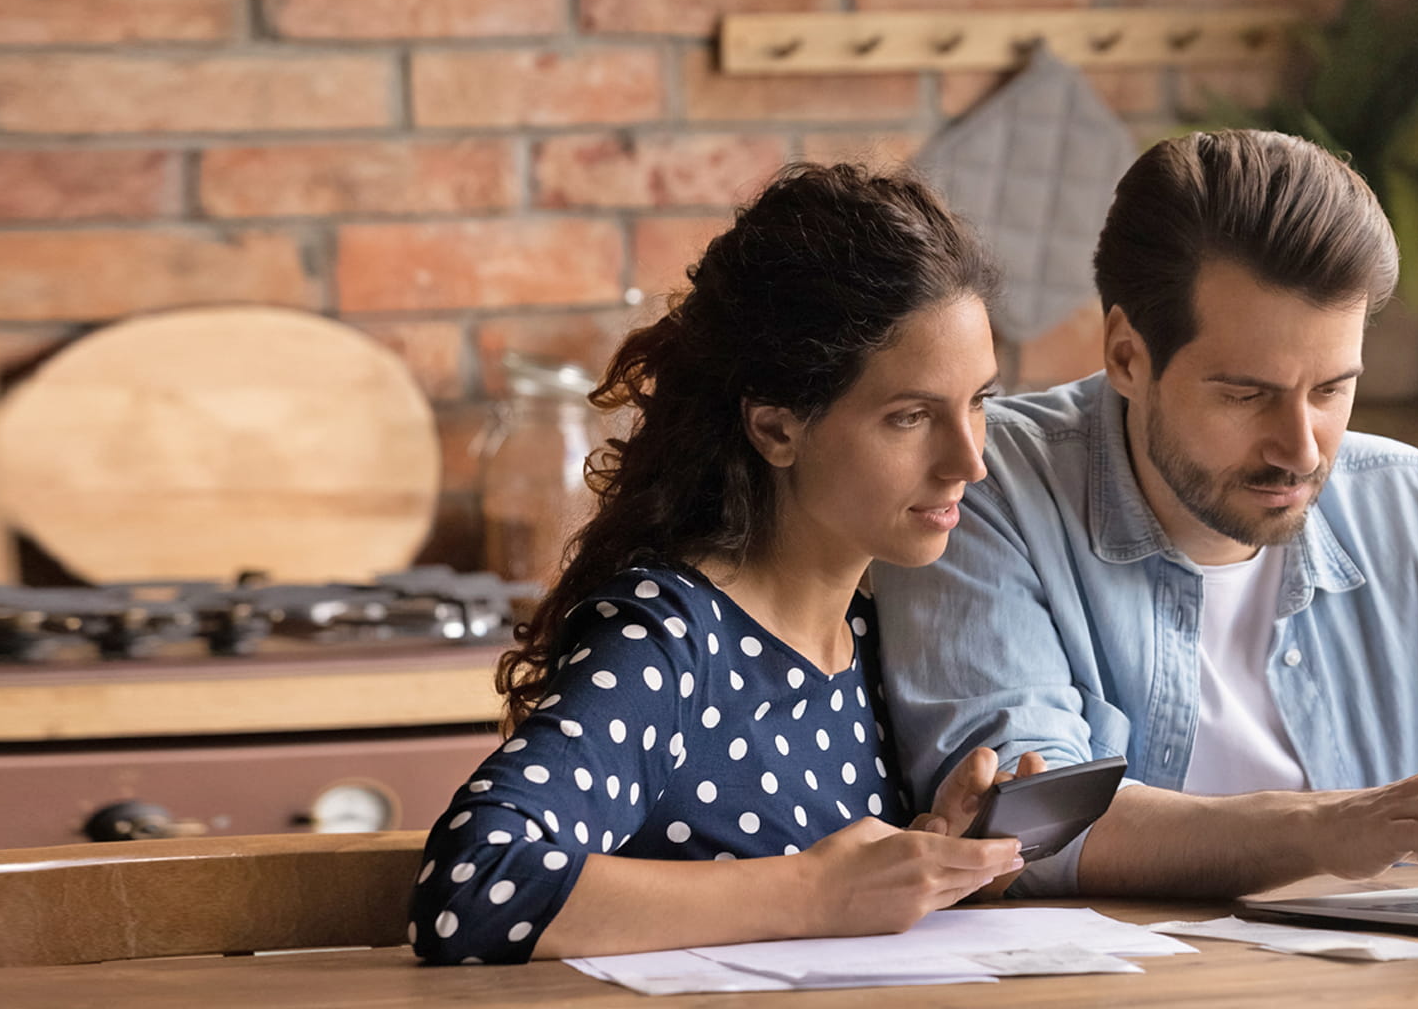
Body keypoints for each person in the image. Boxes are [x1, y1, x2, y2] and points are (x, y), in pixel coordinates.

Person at [870, 129, 1418, 900]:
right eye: (1247, 395)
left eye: (1331, 390)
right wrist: (1333, 829)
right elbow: (1027, 830)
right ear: (1125, 356)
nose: (1301, 449)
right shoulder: (985, 490)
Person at [409, 164, 1040, 965]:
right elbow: (470, 885)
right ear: (777, 429)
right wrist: (818, 892)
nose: (969, 461)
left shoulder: (868, 632)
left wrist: (925, 862)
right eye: (910, 416)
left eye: (979, 400)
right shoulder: (669, 642)